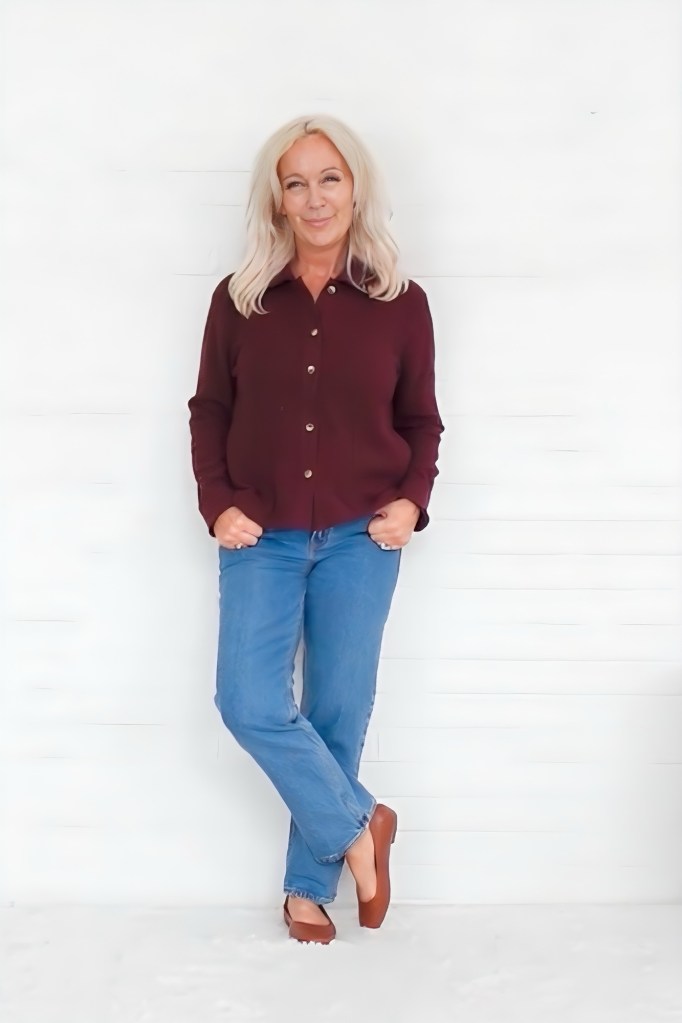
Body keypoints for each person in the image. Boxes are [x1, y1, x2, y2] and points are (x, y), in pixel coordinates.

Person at [187, 114, 444, 944]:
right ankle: (362, 825)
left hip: (361, 536)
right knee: (247, 700)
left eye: (328, 178)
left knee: (338, 708)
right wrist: (217, 499)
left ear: (355, 187)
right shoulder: (238, 300)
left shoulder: (401, 304)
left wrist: (411, 500)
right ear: (277, 199)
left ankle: (308, 887)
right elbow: (209, 410)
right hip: (257, 534)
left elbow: (421, 419)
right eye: (295, 183)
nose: (314, 197)